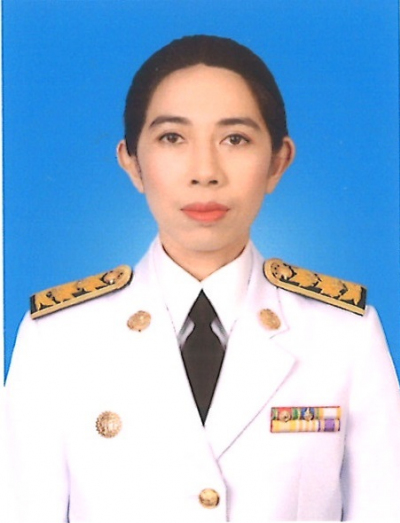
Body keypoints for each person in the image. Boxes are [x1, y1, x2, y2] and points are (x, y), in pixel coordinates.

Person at [4, 35, 400, 522]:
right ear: (132, 162)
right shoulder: (58, 340)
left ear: (278, 161)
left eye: (235, 139)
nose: (205, 172)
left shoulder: (344, 336)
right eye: (173, 138)